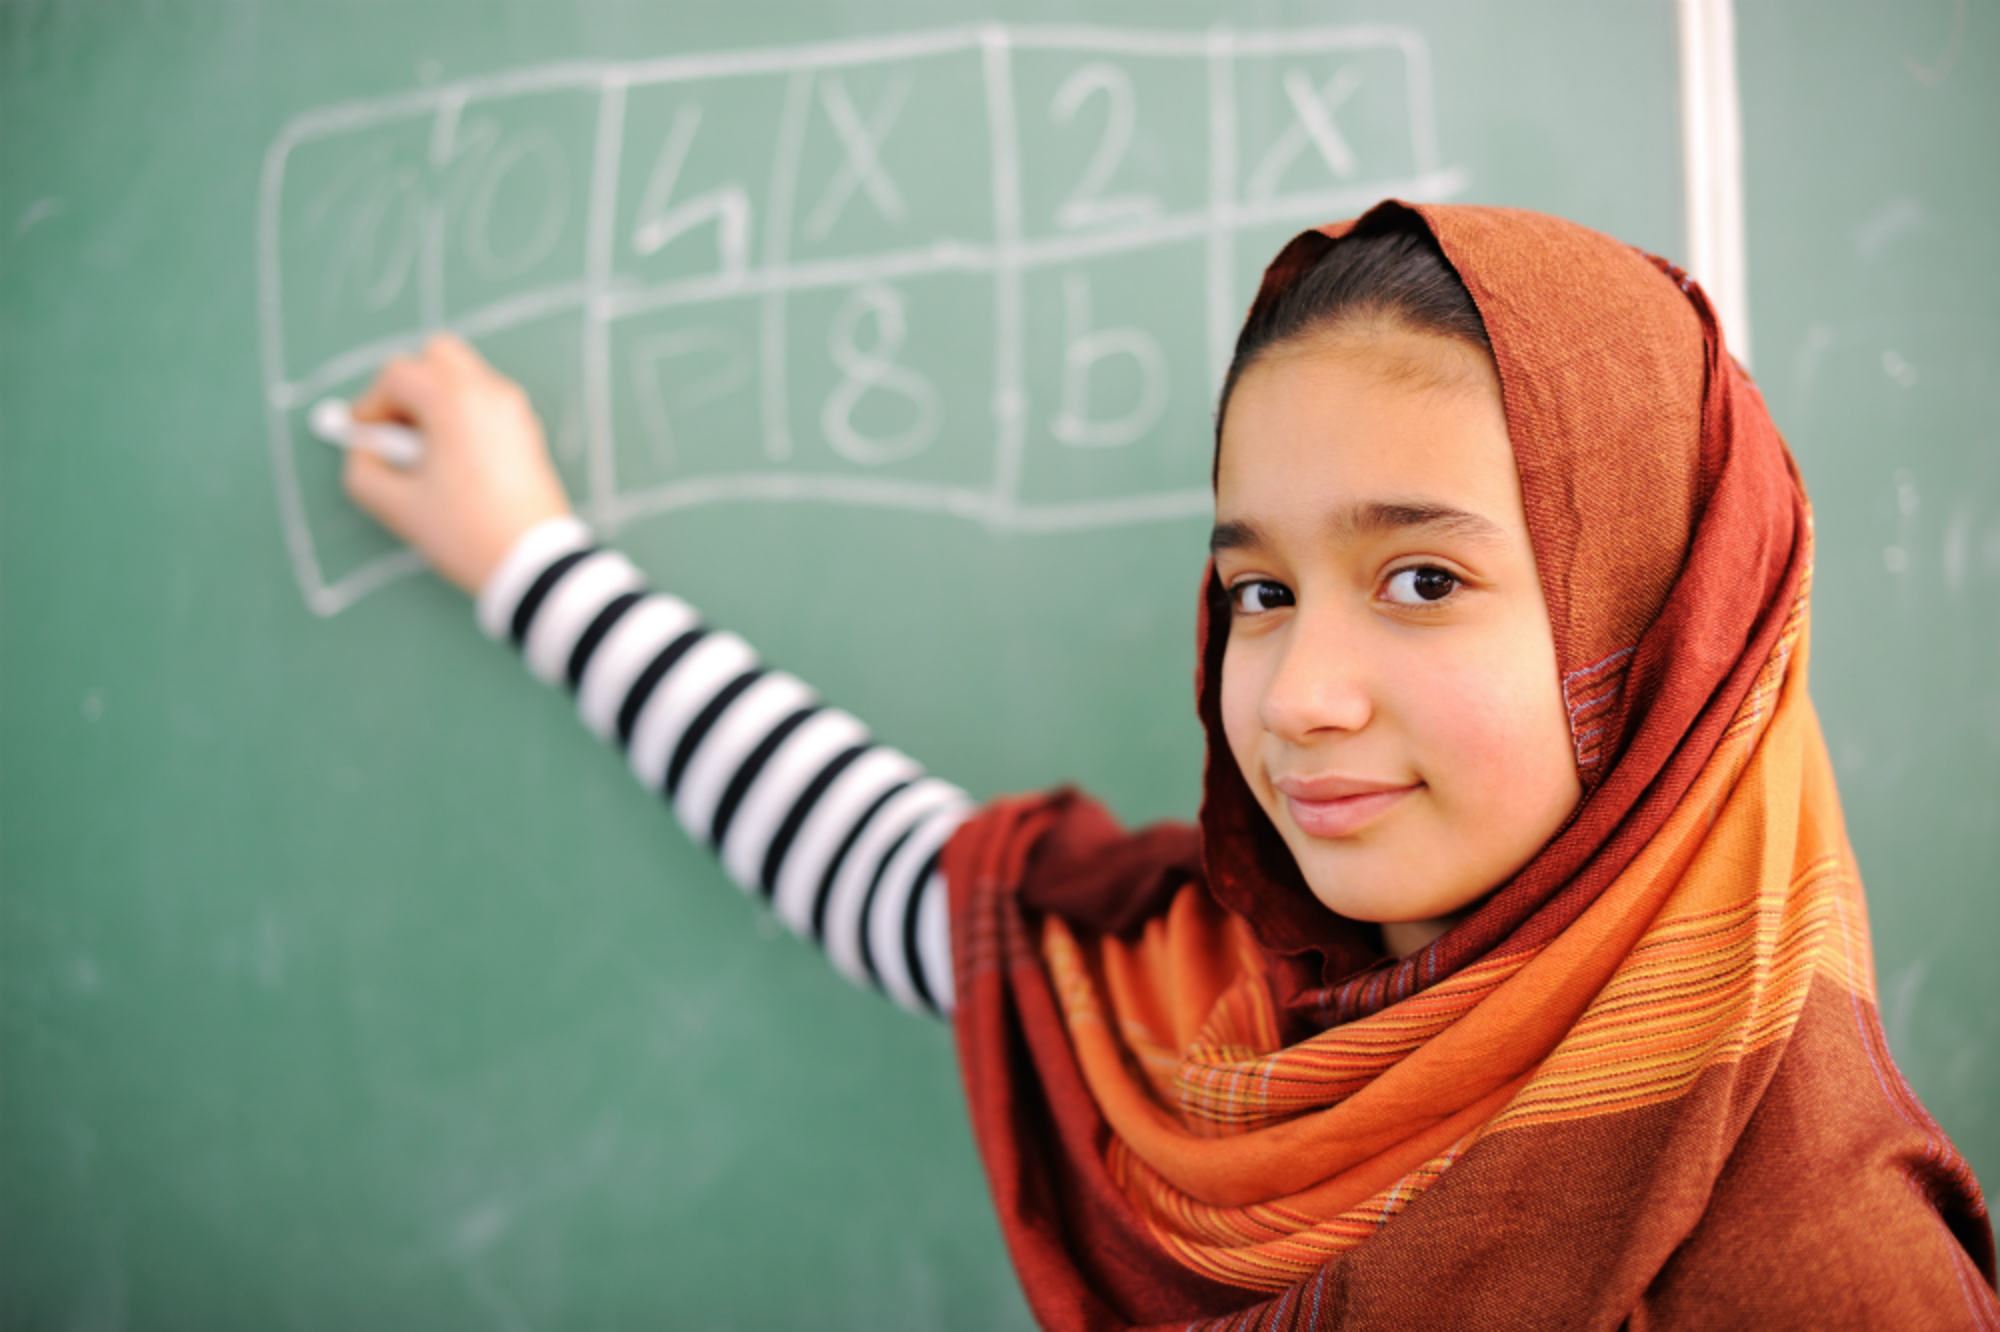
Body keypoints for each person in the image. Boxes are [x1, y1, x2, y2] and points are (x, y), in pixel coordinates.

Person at [342, 201, 1999, 1329]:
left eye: (1423, 580)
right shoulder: (1199, 1009)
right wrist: (528, 558)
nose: (1291, 698)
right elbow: (867, 855)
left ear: (1670, 640)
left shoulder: (1828, 1269)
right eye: (1259, 592)